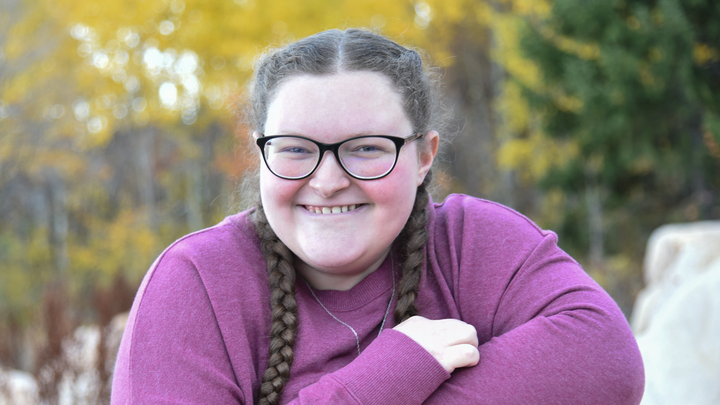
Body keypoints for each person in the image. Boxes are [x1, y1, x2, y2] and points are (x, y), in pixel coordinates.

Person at [111, 29, 644, 404]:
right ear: (260, 152)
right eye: (295, 148)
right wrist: (387, 377)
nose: (327, 181)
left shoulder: (474, 244)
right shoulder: (196, 282)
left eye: (366, 148)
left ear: (425, 155)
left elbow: (606, 359)